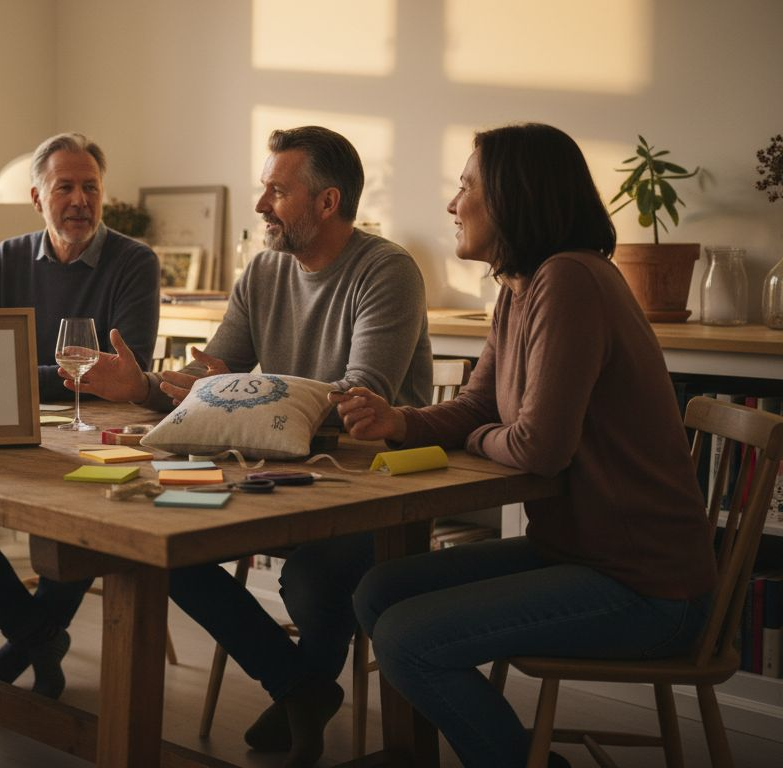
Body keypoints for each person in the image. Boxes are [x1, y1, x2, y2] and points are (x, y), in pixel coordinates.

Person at [335, 123, 716, 768]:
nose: (453, 204)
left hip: (647, 586)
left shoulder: (569, 280)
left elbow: (539, 449)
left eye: (465, 186)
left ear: (513, 196)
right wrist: (400, 422)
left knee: (404, 636)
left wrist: (481, 438)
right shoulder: (521, 287)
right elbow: (479, 406)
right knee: (378, 591)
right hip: (576, 553)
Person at [72, 125, 433, 767]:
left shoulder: (387, 271)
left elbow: (358, 399)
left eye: (276, 191)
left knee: (318, 580)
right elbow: (212, 381)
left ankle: (302, 694)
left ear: (326, 202)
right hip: (273, 472)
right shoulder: (264, 270)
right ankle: (300, 688)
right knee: (160, 542)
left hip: (373, 485)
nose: (262, 205)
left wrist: (238, 390)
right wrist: (149, 387)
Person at [0, 133, 160, 699]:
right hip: (11, 427)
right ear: (36, 197)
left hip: (97, 432)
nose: (79, 200)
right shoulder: (7, 258)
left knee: (77, 519)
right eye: (65, 187)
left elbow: (123, 373)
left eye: (90, 187)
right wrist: (38, 375)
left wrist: (11, 373)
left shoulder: (134, 262)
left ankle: (25, 645)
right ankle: (35, 635)